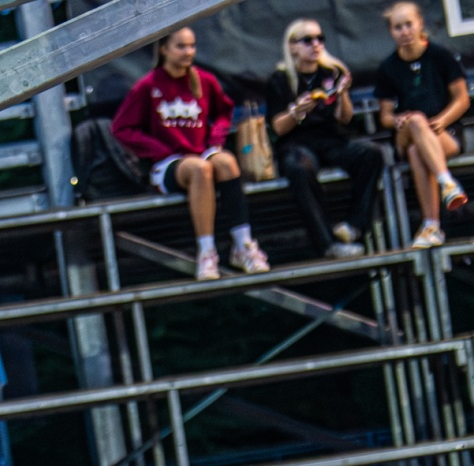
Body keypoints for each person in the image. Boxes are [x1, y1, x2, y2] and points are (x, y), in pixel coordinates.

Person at [112, 28, 269, 281]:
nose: (188, 52)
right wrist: (159, 149)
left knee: (227, 162)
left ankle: (243, 245)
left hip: (201, 152)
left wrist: (216, 139)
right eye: (181, 46)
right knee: (199, 169)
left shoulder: (204, 80)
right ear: (164, 49)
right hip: (168, 164)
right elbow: (121, 128)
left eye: (192, 46)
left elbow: (224, 112)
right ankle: (206, 253)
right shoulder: (148, 85)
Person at [269, 20, 382, 259]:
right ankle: (326, 242)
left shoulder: (332, 72)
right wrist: (296, 112)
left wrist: (343, 95)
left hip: (331, 139)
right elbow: (278, 127)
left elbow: (345, 118)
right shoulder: (281, 79)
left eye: (320, 38)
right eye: (308, 40)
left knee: (371, 154)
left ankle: (354, 225)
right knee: (299, 168)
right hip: (298, 142)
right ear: (292, 46)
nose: (316, 44)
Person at [375, 1, 468, 250]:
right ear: (391, 31)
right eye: (398, 27)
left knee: (418, 152)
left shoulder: (440, 56)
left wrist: (443, 119)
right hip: (406, 132)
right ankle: (447, 182)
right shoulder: (388, 67)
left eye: (409, 25)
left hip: (443, 131)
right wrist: (397, 120)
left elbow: (462, 99)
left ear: (420, 24)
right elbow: (385, 116)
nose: (404, 32)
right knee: (416, 120)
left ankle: (431, 226)